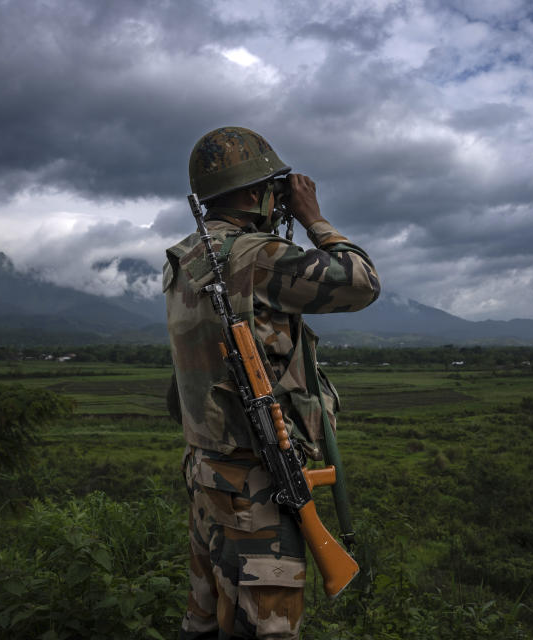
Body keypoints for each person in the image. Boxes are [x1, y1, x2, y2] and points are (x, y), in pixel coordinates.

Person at [163, 126, 380, 639]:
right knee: (268, 624)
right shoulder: (254, 256)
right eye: (274, 187)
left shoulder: (186, 258)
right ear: (257, 191)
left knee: (208, 615)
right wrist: (313, 218)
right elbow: (361, 282)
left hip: (208, 469)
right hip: (255, 480)